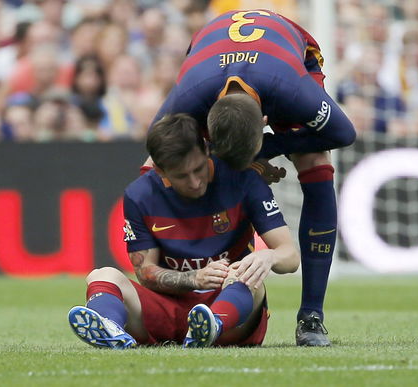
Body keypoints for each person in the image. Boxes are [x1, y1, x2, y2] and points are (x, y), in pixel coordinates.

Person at [147, 9, 356, 346]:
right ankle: (177, 297)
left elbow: (344, 133)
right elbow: (153, 148)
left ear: (265, 121)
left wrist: (270, 148)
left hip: (289, 56)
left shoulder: (293, 91)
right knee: (163, 161)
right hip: (209, 54)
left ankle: (311, 316)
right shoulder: (190, 95)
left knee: (315, 159)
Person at [68, 113, 299, 348]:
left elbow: (290, 256)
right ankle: (110, 329)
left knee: (248, 277)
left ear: (207, 151)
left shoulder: (243, 180)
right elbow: (145, 273)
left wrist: (268, 256)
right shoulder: (139, 196)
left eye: (198, 169)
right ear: (160, 171)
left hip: (231, 308)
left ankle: (212, 324)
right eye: (181, 176)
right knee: (102, 275)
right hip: (168, 309)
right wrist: (194, 278)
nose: (195, 182)